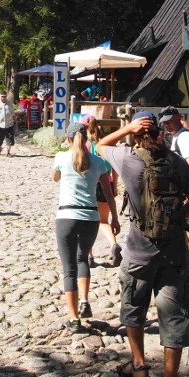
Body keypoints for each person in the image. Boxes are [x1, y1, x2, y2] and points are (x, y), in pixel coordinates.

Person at [97, 112, 189, 377]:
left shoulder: (128, 159)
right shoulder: (177, 162)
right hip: (175, 255)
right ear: (160, 134)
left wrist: (126, 128)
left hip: (138, 253)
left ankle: (140, 366)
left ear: (135, 135)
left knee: (134, 310)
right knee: (175, 319)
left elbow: (99, 145)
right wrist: (177, 221)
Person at [52, 121, 119, 331]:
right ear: (87, 138)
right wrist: (115, 218)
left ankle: (74, 318)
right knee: (83, 259)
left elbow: (55, 178)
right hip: (90, 217)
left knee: (68, 268)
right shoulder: (99, 163)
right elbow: (109, 194)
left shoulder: (61, 158)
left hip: (67, 216)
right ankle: (84, 300)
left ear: (69, 139)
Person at [158, 106, 189, 280]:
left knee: (188, 225)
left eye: (170, 121)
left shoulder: (185, 137)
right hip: (188, 188)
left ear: (179, 118)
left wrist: (182, 189)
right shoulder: (177, 137)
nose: (167, 125)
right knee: (185, 225)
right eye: (164, 123)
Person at [81, 114, 122, 266]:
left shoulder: (85, 144)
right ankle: (113, 244)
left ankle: (89, 256)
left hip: (91, 184)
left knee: (87, 221)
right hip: (108, 183)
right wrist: (115, 185)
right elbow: (115, 167)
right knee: (104, 220)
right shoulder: (106, 144)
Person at [0, 90, 15, 157]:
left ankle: (8, 152)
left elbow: (13, 114)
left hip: (9, 124)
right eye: (2, 97)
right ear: (0, 96)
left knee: (9, 139)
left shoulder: (10, 103)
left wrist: (15, 123)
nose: (3, 98)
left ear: (6, 96)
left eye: (4, 97)